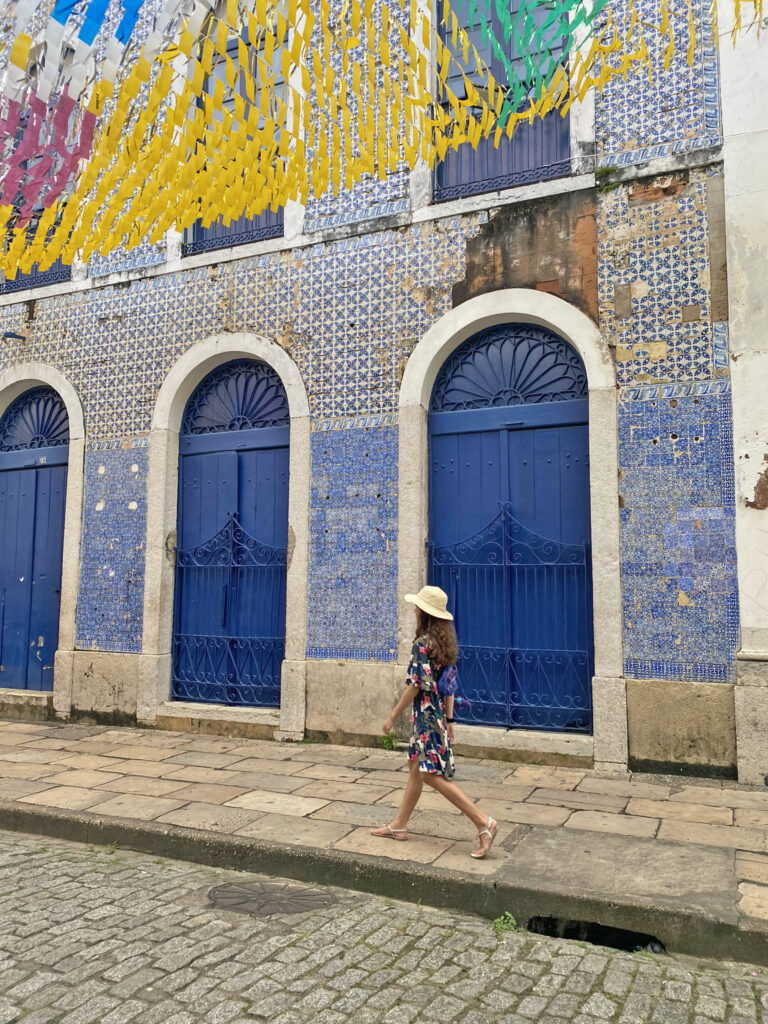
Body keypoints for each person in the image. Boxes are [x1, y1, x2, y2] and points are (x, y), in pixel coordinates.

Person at [371, 585, 498, 859]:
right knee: (416, 768)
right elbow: (449, 685)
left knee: (430, 774)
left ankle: (483, 822)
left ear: (425, 613)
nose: (415, 609)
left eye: (418, 606)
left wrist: (393, 716)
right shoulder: (444, 644)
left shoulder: (422, 644)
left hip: (427, 717)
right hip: (439, 715)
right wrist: (450, 720)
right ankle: (399, 825)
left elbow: (416, 685)